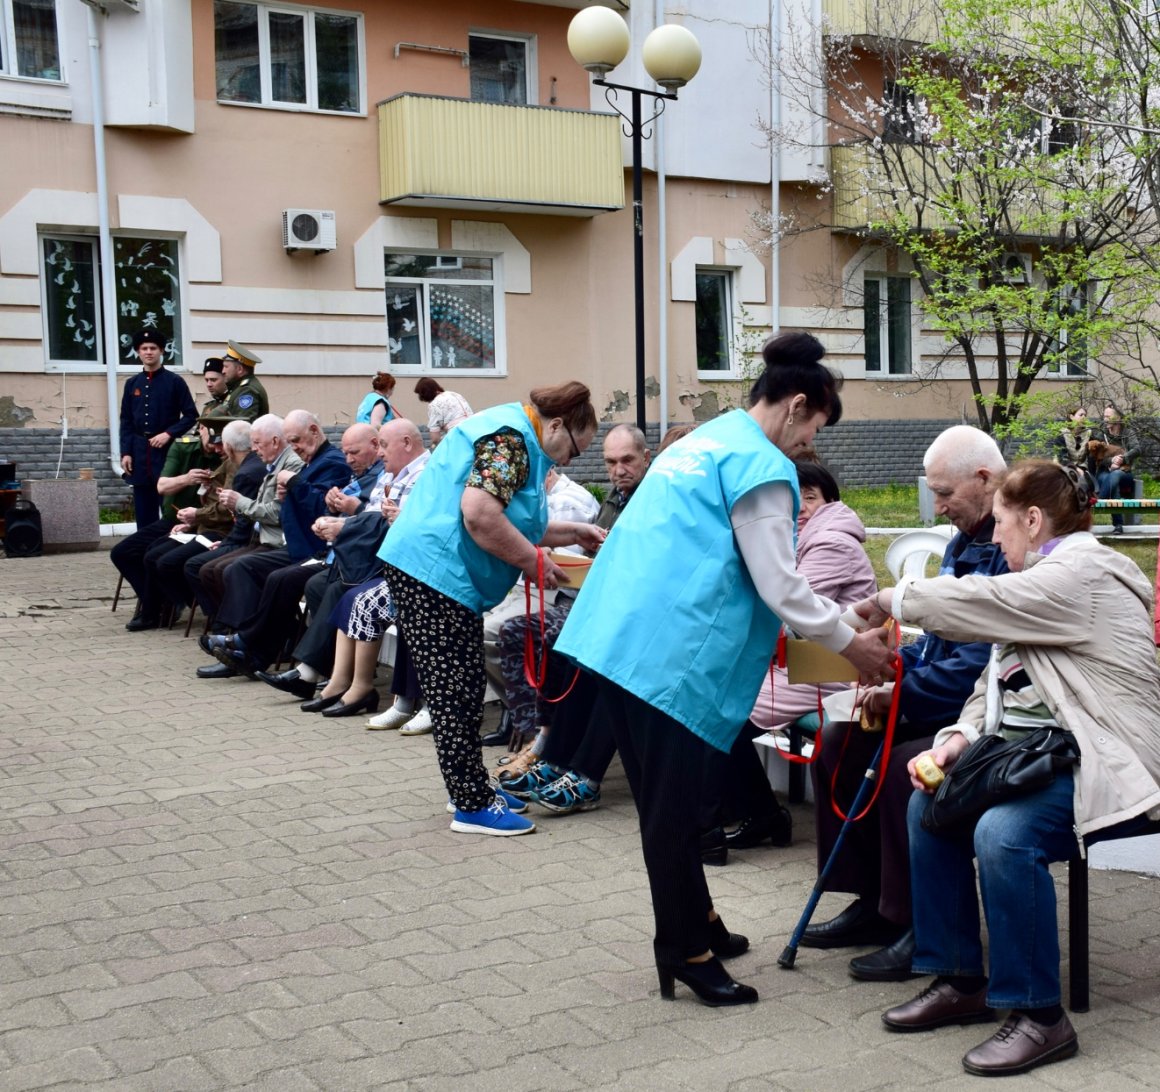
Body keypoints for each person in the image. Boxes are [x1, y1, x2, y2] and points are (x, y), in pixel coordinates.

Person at [554, 332, 894, 1007]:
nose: (809, 449)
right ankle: (684, 951)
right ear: (798, 405)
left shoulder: (699, 444)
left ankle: (699, 919)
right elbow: (782, 587)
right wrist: (853, 649)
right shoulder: (762, 467)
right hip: (671, 658)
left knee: (663, 803)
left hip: (616, 636)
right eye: (814, 431)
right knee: (673, 814)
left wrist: (844, 622)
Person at [854, 460, 1160, 1077]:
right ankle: (960, 978)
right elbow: (993, 688)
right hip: (1036, 754)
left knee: (1003, 833)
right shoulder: (1043, 579)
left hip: (1106, 759)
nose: (993, 539)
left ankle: (1041, 1017)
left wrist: (892, 598)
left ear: (1033, 518)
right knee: (926, 804)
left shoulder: (1082, 573)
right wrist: (954, 741)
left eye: (1000, 523)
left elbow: (982, 599)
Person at [802, 425, 1008, 984]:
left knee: (902, 770)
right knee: (839, 743)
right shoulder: (967, 539)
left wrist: (906, 690)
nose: (937, 507)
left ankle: (915, 920)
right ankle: (872, 901)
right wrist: (891, 670)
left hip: (994, 715)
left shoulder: (1013, 543)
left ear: (984, 479)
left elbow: (986, 663)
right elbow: (944, 642)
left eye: (944, 493)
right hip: (950, 701)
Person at [381, 382, 605, 837]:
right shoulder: (511, 439)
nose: (570, 460)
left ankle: (468, 789)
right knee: (455, 691)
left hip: (435, 572)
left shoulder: (515, 433)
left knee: (459, 686)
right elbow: (480, 515)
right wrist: (532, 563)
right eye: (574, 448)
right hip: (434, 573)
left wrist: (573, 533)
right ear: (557, 424)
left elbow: (516, 520)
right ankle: (470, 804)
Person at [705, 459, 878, 860]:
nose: (800, 507)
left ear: (830, 500)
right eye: (794, 498)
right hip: (803, 663)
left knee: (724, 714)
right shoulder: (807, 538)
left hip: (831, 671)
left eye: (810, 498)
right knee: (720, 707)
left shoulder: (832, 542)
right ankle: (753, 808)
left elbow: (788, 612)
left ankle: (758, 811)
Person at [112, 423, 222, 632]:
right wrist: (187, 478)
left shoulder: (226, 455)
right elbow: (162, 486)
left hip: (203, 524)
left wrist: (196, 519)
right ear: (200, 430)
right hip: (174, 520)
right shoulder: (183, 447)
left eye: (220, 433)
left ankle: (154, 609)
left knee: (155, 555)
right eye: (210, 430)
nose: (216, 440)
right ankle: (163, 601)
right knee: (122, 552)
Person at [118, 327, 198, 528]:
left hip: (166, 453)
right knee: (144, 514)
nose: (148, 352)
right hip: (138, 452)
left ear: (161, 351)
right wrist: (126, 452)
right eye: (144, 348)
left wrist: (168, 434)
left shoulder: (174, 382)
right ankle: (142, 554)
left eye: (153, 348)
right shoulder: (132, 384)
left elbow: (191, 416)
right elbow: (126, 420)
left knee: (169, 510)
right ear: (138, 352)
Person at [1095, 402, 1140, 534]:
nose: (1105, 419)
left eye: (1108, 416)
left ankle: (1096, 505)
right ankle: (1118, 525)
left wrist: (1121, 459)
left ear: (1118, 418)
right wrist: (1110, 461)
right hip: (1104, 471)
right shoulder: (1101, 433)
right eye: (1104, 416)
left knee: (1115, 476)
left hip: (1124, 472)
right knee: (1111, 480)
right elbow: (1097, 456)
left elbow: (1137, 449)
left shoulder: (1127, 432)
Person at [204, 340, 268, 423]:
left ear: (240, 369)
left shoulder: (247, 391)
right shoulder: (238, 388)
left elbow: (242, 427)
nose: (223, 371)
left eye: (226, 367)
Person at [414, 378, 472, 446]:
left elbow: (435, 438)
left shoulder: (434, 404)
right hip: (473, 431)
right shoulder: (454, 394)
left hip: (458, 437)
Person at [1054, 404, 1092, 472]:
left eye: (1085, 415)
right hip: (1065, 468)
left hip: (1083, 468)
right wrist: (1075, 469)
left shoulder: (1089, 433)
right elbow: (1062, 458)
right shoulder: (1062, 434)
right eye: (1081, 415)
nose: (1084, 417)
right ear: (1072, 417)